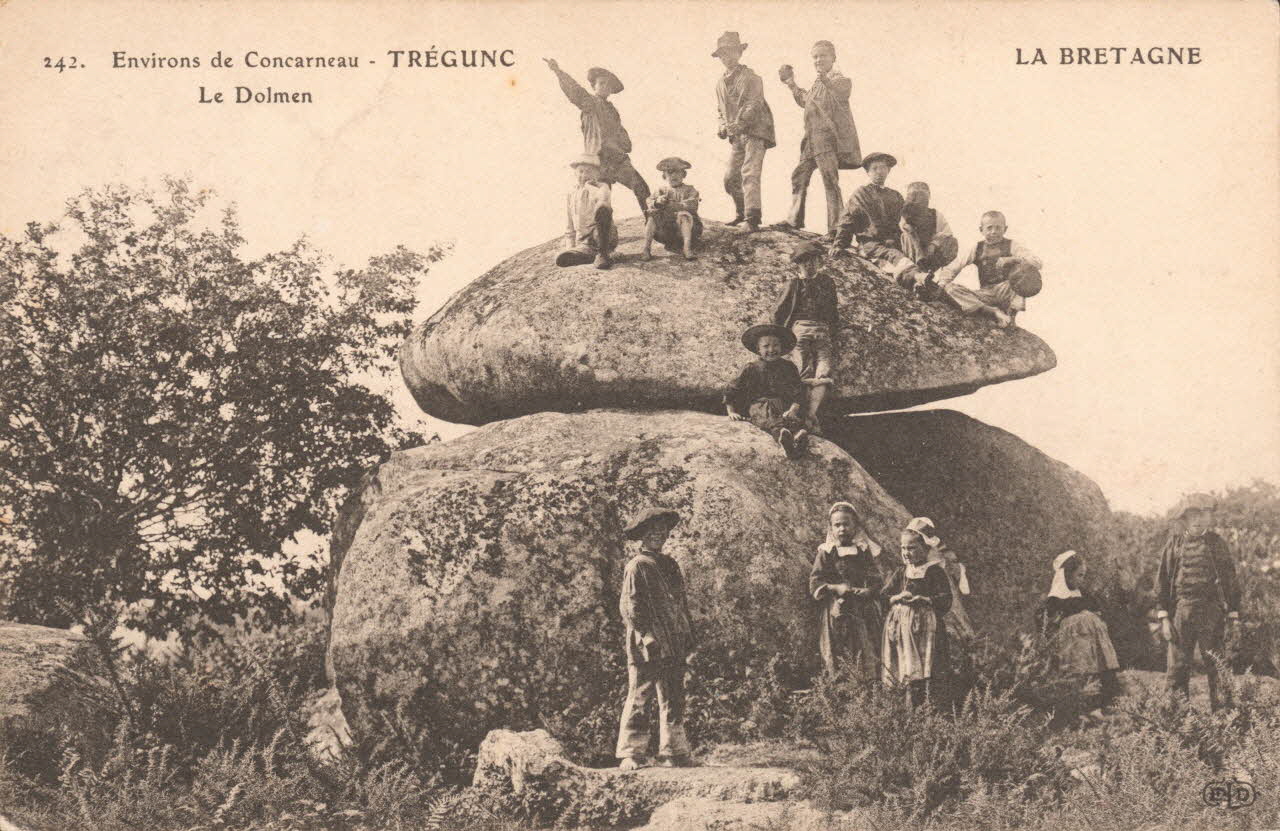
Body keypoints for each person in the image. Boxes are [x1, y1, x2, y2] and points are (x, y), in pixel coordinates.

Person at [616, 507, 696, 769]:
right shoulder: (637, 566)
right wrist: (646, 635)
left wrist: (688, 636)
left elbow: (681, 604)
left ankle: (673, 751)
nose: (657, 535)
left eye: (662, 531)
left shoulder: (670, 564)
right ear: (641, 535)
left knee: (673, 695)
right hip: (647, 643)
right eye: (651, 531)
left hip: (672, 640)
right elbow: (631, 605)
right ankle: (631, 752)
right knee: (641, 693)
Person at [1155, 493, 1242, 711]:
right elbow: (1163, 581)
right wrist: (1164, 618)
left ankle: (1225, 717)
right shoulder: (1174, 544)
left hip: (1211, 611)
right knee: (1177, 666)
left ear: (1209, 518)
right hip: (1181, 611)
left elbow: (1230, 578)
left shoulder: (1216, 543)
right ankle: (1176, 718)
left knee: (1217, 663)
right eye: (1192, 515)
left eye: (1203, 515)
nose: (1197, 520)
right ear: (1184, 519)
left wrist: (1233, 614)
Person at [774, 40, 861, 236]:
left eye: (823, 56)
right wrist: (791, 83)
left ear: (833, 58)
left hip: (827, 139)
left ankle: (837, 227)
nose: (818, 60)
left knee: (830, 180)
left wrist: (825, 79)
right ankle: (794, 219)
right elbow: (806, 101)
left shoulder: (841, 80)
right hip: (811, 140)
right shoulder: (817, 84)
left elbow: (841, 92)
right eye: (815, 57)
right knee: (799, 176)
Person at [545, 58, 651, 214]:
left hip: (617, 159)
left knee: (641, 187)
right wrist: (558, 72)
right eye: (601, 83)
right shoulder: (589, 102)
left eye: (608, 85)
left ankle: (655, 226)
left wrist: (624, 143)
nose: (605, 87)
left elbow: (621, 133)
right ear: (594, 86)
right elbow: (574, 90)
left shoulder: (613, 111)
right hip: (597, 161)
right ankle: (602, 236)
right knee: (602, 202)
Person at [1037, 551, 1122, 716]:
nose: (1081, 579)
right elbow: (1050, 623)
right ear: (1067, 575)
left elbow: (1098, 608)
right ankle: (1086, 708)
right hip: (1076, 645)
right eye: (1079, 575)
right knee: (1082, 670)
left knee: (1103, 666)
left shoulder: (1084, 594)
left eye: (1083, 576)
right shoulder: (1055, 599)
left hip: (1096, 642)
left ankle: (1106, 704)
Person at [829, 152, 928, 294]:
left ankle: (918, 282)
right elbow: (847, 220)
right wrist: (839, 244)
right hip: (871, 244)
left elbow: (906, 220)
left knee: (903, 254)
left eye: (883, 168)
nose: (879, 172)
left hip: (894, 241)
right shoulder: (861, 194)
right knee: (893, 258)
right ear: (868, 172)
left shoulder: (895, 195)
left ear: (888, 171)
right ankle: (918, 278)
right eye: (874, 168)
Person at [881, 517, 954, 707]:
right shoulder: (901, 572)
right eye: (903, 548)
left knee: (930, 667)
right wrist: (896, 598)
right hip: (903, 630)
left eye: (911, 548)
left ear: (926, 549)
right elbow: (883, 596)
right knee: (907, 668)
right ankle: (906, 709)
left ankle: (932, 709)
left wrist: (925, 600)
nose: (906, 553)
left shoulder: (934, 572)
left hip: (927, 630)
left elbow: (946, 600)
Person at [809, 502, 883, 679]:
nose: (842, 529)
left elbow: (876, 579)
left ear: (855, 526)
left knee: (865, 645)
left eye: (846, 524)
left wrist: (868, 591)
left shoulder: (863, 551)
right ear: (831, 528)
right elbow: (815, 581)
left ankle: (868, 685)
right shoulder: (826, 552)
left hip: (862, 609)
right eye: (837, 525)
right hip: (837, 609)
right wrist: (836, 587)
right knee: (838, 646)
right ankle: (841, 685)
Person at [934, 211, 1043, 328]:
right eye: (989, 228)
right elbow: (954, 266)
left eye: (998, 228)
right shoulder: (977, 248)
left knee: (1023, 275)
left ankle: (1011, 316)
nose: (994, 231)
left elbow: (1037, 262)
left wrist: (1013, 259)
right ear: (981, 230)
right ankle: (994, 312)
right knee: (950, 289)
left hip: (1006, 290)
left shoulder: (1012, 245)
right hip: (985, 294)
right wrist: (942, 283)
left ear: (1005, 229)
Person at [773, 241, 838, 434]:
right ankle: (802, 415)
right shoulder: (794, 284)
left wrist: (834, 330)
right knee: (803, 370)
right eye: (804, 262)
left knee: (824, 372)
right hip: (799, 329)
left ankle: (810, 414)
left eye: (814, 261)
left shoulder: (827, 282)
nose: (810, 265)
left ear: (819, 262)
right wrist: (779, 334)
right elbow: (779, 310)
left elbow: (833, 310)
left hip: (822, 330)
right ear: (798, 265)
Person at [714, 31, 775, 232]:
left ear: (739, 53)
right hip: (737, 135)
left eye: (730, 52)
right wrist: (722, 125)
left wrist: (739, 123)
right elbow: (720, 110)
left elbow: (754, 104)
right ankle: (741, 213)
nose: (726, 57)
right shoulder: (720, 83)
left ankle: (752, 218)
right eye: (722, 54)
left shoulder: (752, 78)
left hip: (756, 131)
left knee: (750, 173)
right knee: (731, 178)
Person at [724, 323, 810, 459]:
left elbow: (798, 391)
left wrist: (794, 409)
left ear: (781, 347)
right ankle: (784, 438)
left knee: (792, 420)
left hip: (782, 405)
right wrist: (731, 411)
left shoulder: (788, 367)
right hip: (759, 405)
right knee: (770, 419)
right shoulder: (751, 368)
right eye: (766, 346)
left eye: (776, 345)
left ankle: (798, 439)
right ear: (758, 349)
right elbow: (733, 389)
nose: (771, 349)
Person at [556, 154, 618, 269]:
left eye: (589, 172)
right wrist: (570, 248)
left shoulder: (602, 187)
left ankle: (603, 254)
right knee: (561, 259)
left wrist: (589, 187)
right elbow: (570, 227)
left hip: (603, 236)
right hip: (584, 242)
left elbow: (603, 201)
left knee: (602, 207)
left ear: (597, 174)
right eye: (580, 171)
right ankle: (592, 255)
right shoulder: (571, 194)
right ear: (575, 173)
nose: (584, 175)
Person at [898, 182, 959, 298]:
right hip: (911, 250)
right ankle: (918, 275)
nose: (918, 199)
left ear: (929, 196)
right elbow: (903, 227)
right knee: (907, 235)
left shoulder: (935, 214)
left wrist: (934, 244)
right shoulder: (905, 211)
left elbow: (947, 232)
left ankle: (926, 274)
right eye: (914, 195)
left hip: (929, 252)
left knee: (952, 242)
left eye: (922, 194)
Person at [642, 158, 702, 261]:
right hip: (665, 233)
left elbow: (692, 204)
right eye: (670, 173)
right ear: (664, 176)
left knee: (683, 215)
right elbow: (649, 201)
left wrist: (675, 205)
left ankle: (687, 248)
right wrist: (657, 202)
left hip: (685, 230)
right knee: (652, 216)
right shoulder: (661, 190)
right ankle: (646, 249)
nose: (674, 176)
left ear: (684, 175)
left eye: (678, 172)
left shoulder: (690, 189)